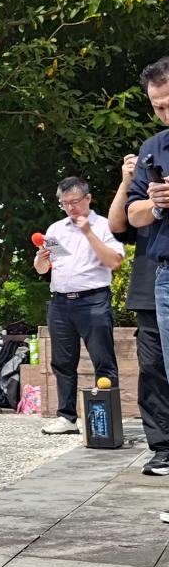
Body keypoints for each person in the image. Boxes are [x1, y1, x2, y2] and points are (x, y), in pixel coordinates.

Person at [37, 176, 123, 434]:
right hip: (61, 302)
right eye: (64, 203)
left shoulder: (105, 225)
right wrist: (41, 259)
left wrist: (88, 232)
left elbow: (114, 261)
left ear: (88, 198)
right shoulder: (55, 229)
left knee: (103, 359)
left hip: (93, 300)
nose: (70, 208)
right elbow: (46, 268)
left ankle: (106, 419)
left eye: (74, 202)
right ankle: (67, 417)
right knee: (62, 362)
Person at [108, 152, 169, 475]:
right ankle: (163, 447)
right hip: (149, 289)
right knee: (153, 369)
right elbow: (117, 225)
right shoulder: (144, 184)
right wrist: (127, 181)